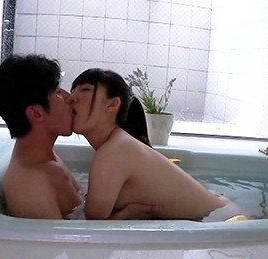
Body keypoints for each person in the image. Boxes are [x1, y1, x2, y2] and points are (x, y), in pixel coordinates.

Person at [0, 55, 160, 220]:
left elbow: (84, 209)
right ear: (37, 113)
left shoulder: (46, 158)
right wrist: (125, 215)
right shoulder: (30, 185)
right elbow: (67, 239)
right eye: (58, 92)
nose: (69, 98)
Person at [70, 68, 241, 221]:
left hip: (221, 223)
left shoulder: (113, 152)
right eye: (73, 90)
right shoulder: (119, 145)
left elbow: (90, 226)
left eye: (85, 90)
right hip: (217, 215)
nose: (72, 98)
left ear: (112, 104)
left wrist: (126, 214)